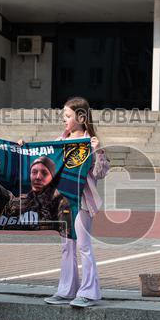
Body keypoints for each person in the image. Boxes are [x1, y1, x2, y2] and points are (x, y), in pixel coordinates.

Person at [43, 97, 111, 308]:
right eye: (64, 116)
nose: (64, 120)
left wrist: (98, 151)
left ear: (81, 117)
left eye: (68, 116)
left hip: (82, 201)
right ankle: (66, 290)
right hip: (62, 202)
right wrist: (24, 147)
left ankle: (89, 293)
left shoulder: (91, 143)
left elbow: (101, 173)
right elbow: (44, 162)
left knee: (83, 245)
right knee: (66, 246)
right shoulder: (59, 141)